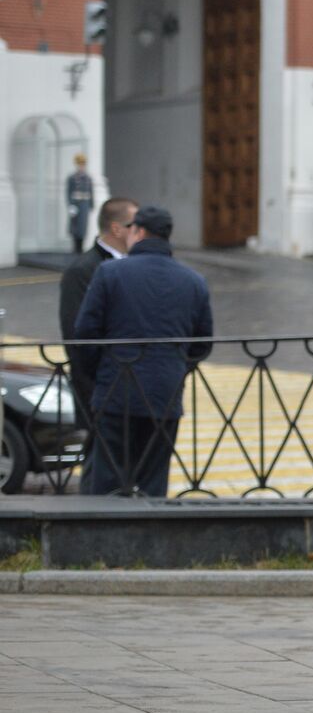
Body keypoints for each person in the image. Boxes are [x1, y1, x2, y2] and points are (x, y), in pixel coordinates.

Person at [73, 206, 213, 497]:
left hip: (114, 393)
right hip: (165, 394)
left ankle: (103, 540)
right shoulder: (193, 281)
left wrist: (100, 373)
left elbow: (85, 333)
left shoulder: (109, 273)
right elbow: (203, 343)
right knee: (153, 481)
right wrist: (176, 367)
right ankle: (152, 534)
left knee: (107, 482)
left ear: (138, 232)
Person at [59, 197, 139, 493]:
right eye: (135, 225)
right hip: (99, 392)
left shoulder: (134, 266)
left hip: (133, 390)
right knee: (100, 475)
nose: (140, 232)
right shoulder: (83, 270)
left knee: (129, 472)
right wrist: (96, 393)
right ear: (117, 229)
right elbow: (77, 340)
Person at [66, 153, 95, 254]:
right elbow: (69, 192)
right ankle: (75, 246)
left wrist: (91, 204)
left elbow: (91, 192)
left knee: (83, 226)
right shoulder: (72, 178)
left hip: (84, 203)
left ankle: (81, 246)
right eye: (79, 164)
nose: (81, 166)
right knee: (75, 226)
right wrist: (70, 204)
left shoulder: (88, 178)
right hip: (76, 203)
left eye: (83, 164)